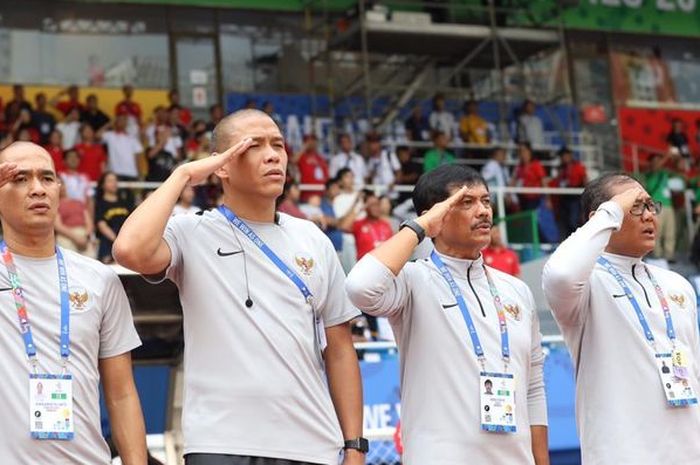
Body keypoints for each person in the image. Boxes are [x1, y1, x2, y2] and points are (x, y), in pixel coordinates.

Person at [112, 108, 366, 465]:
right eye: (253, 145)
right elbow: (129, 250)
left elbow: (339, 348)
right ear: (222, 165)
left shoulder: (312, 238)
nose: (274, 154)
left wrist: (355, 445)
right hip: (219, 443)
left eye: (278, 144)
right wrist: (183, 173)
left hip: (311, 444)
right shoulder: (192, 231)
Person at [345, 164, 548, 464]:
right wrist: (420, 226)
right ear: (435, 216)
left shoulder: (516, 290)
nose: (483, 211)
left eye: (486, 201)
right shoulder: (413, 280)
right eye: (466, 202)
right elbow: (360, 287)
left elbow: (533, 388)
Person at [0, 142, 146, 464]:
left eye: (47, 178)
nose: (37, 189)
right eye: (20, 179)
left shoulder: (99, 278)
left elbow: (121, 395)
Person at [542, 173, 700, 465]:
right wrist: (610, 212)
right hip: (622, 455)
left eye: (651, 206)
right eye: (635, 206)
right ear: (602, 217)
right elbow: (560, 274)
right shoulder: (585, 286)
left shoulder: (677, 285)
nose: (649, 215)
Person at [643, 151, 676, 261]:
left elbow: (676, 168)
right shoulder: (650, 175)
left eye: (659, 160)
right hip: (656, 205)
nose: (659, 163)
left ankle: (669, 254)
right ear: (651, 163)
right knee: (658, 230)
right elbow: (657, 167)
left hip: (668, 204)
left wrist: (674, 157)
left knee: (670, 230)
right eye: (656, 161)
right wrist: (667, 156)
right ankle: (657, 255)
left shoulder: (664, 173)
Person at [94, 172, 131, 264]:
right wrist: (117, 240)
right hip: (108, 242)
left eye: (115, 180)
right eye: (110, 181)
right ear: (103, 185)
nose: (114, 183)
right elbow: (101, 225)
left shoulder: (124, 202)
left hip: (127, 240)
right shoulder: (100, 203)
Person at [555, 147, 588, 238]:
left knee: (573, 221)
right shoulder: (561, 169)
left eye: (565, 155)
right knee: (565, 222)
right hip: (564, 198)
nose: (563, 158)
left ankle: (578, 239)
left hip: (575, 197)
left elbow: (585, 180)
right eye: (561, 156)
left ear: (569, 156)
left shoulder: (578, 166)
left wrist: (586, 196)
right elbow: (558, 182)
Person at [55, 182, 95, 257]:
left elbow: (89, 222)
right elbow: (58, 226)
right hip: (66, 235)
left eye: (61, 184)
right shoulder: (54, 205)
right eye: (57, 185)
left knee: (91, 260)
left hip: (83, 233)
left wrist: (86, 236)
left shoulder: (78, 202)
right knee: (68, 259)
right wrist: (75, 237)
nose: (60, 187)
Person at [102, 115, 144, 181]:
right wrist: (109, 124)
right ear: (115, 122)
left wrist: (140, 174)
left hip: (131, 173)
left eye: (124, 120)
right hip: (115, 173)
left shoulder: (132, 138)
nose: (122, 122)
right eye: (120, 120)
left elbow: (138, 158)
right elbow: (97, 136)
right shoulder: (110, 135)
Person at [294, 134, 329, 202]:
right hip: (306, 194)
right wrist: (304, 147)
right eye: (309, 141)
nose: (311, 143)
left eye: (313, 140)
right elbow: (293, 161)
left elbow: (326, 176)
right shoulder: (302, 156)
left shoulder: (320, 158)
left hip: (321, 194)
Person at [512, 143, 547, 211]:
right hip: (522, 199)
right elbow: (513, 180)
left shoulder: (536, 165)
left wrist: (547, 199)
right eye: (520, 151)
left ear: (529, 151)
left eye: (524, 150)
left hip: (534, 200)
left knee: (534, 220)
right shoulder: (519, 167)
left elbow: (544, 182)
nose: (522, 153)